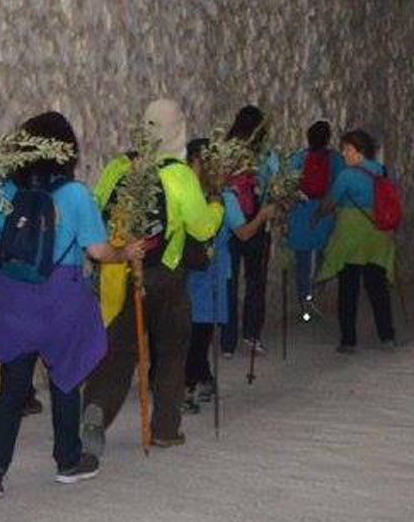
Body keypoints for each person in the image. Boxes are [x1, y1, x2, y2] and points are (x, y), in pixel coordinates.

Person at [0, 112, 122, 496]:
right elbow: (98, 250)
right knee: (66, 377)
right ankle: (68, 459)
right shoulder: (77, 195)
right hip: (62, 298)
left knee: (12, 384)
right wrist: (124, 253)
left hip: (15, 296)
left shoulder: (6, 193)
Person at [83, 98, 223, 452]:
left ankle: (96, 409)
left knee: (119, 349)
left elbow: (97, 208)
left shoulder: (119, 166)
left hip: (126, 272)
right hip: (168, 274)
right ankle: (165, 429)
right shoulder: (179, 175)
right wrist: (218, 206)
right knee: (172, 350)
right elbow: (203, 228)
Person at [184, 138, 285, 410]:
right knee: (200, 331)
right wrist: (263, 216)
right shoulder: (223, 196)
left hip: (187, 268)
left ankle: (201, 378)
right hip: (212, 269)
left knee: (195, 329)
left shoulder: (183, 190)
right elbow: (243, 232)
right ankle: (188, 386)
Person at [318, 129, 398, 353]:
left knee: (348, 290)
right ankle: (387, 335)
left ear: (359, 151)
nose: (344, 154)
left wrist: (317, 214)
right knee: (377, 288)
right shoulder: (380, 171)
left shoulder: (347, 175)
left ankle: (348, 340)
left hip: (352, 236)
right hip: (377, 235)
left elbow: (331, 202)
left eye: (347, 149)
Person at [220, 105, 279, 356]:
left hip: (229, 221)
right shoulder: (266, 154)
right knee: (256, 280)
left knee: (229, 282)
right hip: (257, 216)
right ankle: (252, 334)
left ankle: (228, 341)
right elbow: (277, 180)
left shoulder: (226, 153)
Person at [286, 121, 343, 319]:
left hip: (301, 213)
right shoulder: (335, 159)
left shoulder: (298, 158)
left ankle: (304, 298)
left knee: (302, 260)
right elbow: (339, 187)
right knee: (322, 257)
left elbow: (289, 184)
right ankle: (315, 294)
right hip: (323, 214)